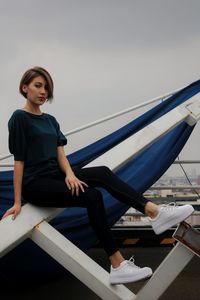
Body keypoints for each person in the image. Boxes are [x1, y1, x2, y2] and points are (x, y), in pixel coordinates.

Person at [3, 66, 194, 285]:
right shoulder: (19, 118)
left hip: (56, 176)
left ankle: (154, 212)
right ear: (24, 87)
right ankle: (118, 264)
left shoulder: (50, 121)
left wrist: (70, 175)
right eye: (38, 85)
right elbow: (19, 161)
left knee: (102, 172)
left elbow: (61, 155)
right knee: (92, 196)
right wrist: (17, 201)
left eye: (46, 87)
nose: (43, 91)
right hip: (35, 184)